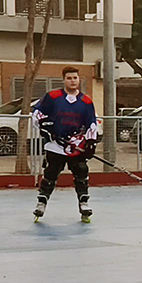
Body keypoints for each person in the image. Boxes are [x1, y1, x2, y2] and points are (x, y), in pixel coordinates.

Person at [32, 66, 99, 222]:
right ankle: (41, 203)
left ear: (79, 79)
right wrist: (45, 126)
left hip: (76, 145)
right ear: (64, 80)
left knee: (81, 172)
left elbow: (92, 123)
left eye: (75, 78)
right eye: (69, 78)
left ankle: (84, 203)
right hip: (55, 144)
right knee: (50, 173)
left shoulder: (86, 101)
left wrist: (90, 142)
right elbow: (37, 113)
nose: (72, 81)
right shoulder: (52, 97)